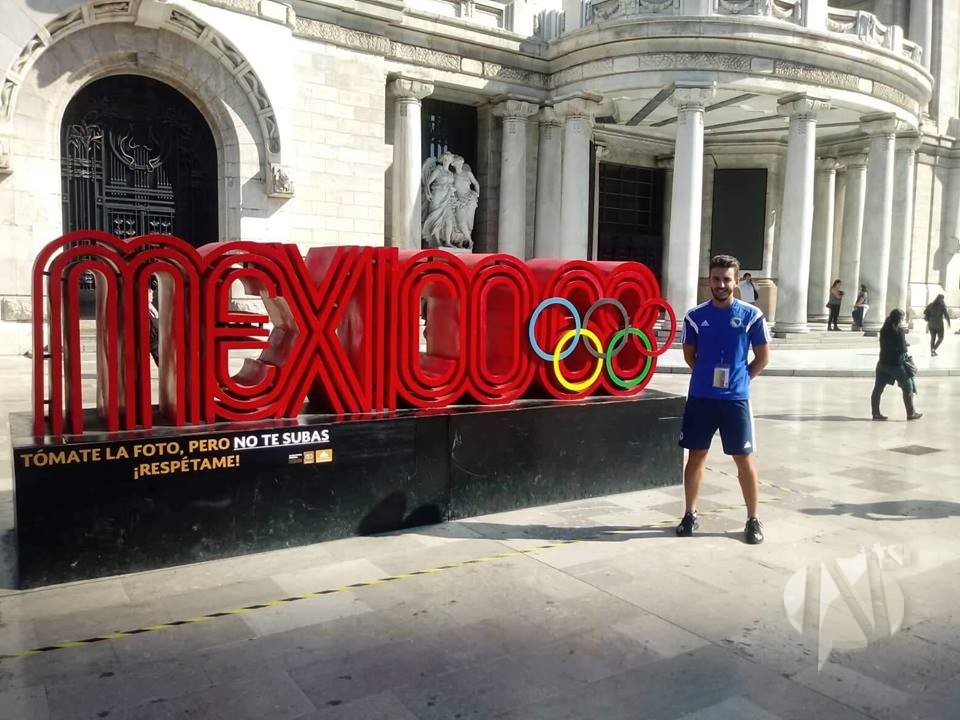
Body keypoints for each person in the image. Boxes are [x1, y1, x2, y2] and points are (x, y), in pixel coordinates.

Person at [677, 254, 771, 545]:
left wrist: (742, 379)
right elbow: (690, 356)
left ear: (736, 281)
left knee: (744, 458)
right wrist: (706, 376)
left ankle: (753, 519)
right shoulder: (694, 316)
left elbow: (762, 358)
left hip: (735, 401)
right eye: (716, 279)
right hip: (701, 398)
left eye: (726, 279)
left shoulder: (752, 316)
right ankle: (690, 513)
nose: (721, 284)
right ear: (709, 280)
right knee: (696, 456)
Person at [871, 308, 922, 421]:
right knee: (908, 387)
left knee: (878, 389)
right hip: (896, 365)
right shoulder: (899, 330)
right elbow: (903, 349)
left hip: (882, 363)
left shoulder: (884, 329)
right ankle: (911, 413)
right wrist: (905, 344)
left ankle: (875, 413)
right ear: (900, 319)